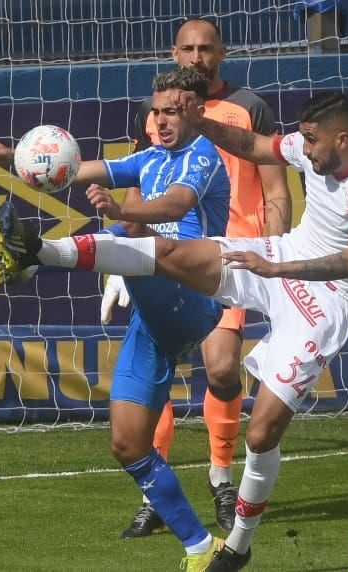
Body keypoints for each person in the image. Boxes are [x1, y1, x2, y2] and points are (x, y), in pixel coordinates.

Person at [0, 90, 348, 571]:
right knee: (165, 254)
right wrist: (203, 121)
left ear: (344, 138)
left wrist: (276, 267)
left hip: (330, 298)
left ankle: (238, 545)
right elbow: (254, 146)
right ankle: (37, 252)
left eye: (311, 141)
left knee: (264, 431)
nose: (303, 150)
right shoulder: (168, 154)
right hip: (280, 257)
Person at [0, 67, 231, 572]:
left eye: (173, 111)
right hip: (153, 321)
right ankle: (201, 549)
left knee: (136, 240)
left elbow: (178, 202)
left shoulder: (204, 157)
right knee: (128, 443)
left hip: (192, 293)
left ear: (197, 111)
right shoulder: (149, 158)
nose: (161, 121)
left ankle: (37, 251)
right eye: (157, 111)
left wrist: (123, 208)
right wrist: (15, 160)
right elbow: (81, 169)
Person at [109, 16, 292, 539]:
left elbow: (275, 187)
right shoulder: (159, 111)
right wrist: (123, 250)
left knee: (220, 369)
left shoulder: (250, 108)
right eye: (187, 48)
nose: (196, 57)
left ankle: (219, 475)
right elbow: (140, 183)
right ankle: (154, 494)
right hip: (163, 258)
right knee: (157, 374)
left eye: (205, 48)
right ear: (174, 52)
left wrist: (273, 248)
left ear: (222, 52)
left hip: (226, 262)